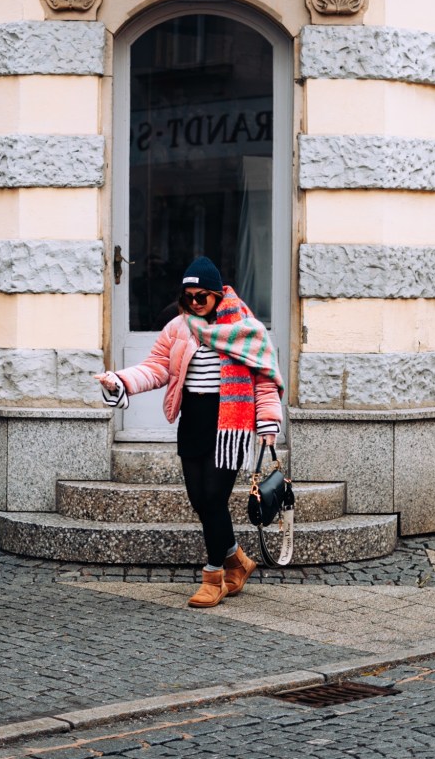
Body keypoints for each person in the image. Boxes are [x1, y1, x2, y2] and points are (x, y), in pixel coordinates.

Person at [95, 256, 284, 609]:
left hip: (229, 425)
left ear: (216, 294)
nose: (194, 303)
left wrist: (268, 422)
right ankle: (237, 561)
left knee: (213, 498)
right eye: (188, 297)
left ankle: (214, 578)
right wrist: (119, 380)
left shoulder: (246, 328)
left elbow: (264, 380)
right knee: (200, 500)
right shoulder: (178, 328)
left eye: (201, 297)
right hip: (193, 420)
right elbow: (156, 368)